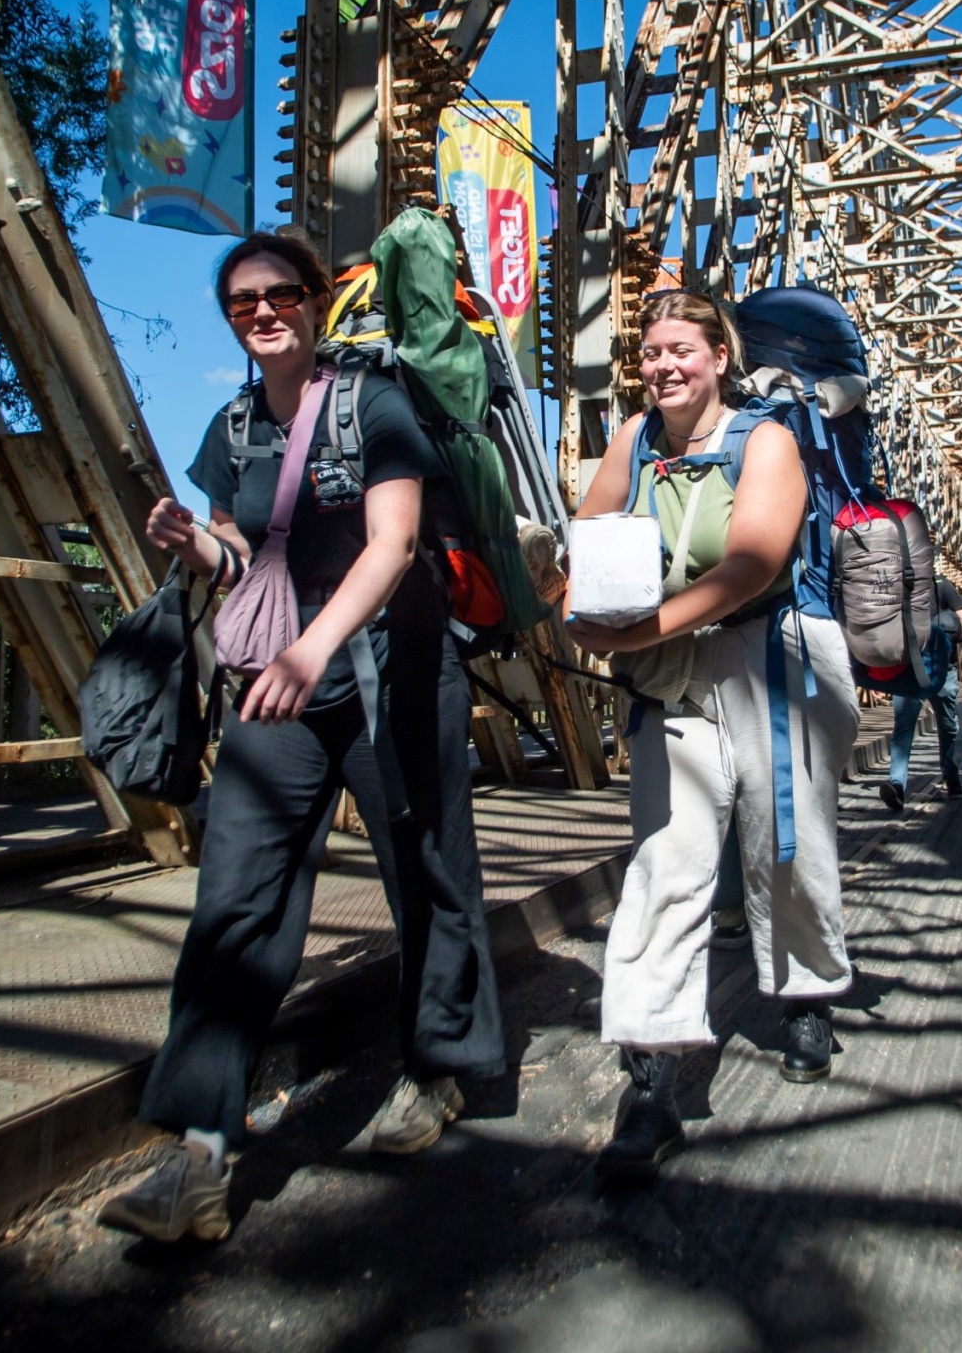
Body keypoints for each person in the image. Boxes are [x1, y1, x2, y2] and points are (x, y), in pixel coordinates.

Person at [98, 231, 505, 1243]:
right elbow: (246, 551)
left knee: (428, 875)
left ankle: (439, 1068)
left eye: (281, 293)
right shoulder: (231, 427)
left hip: (392, 674)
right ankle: (197, 1151)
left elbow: (393, 542)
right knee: (235, 896)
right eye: (242, 301)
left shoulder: (374, 404)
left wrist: (307, 652)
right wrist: (196, 544)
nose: (263, 310)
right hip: (283, 688)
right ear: (229, 316)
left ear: (316, 301)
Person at [568, 291, 860, 1182]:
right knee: (666, 857)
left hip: (771, 660)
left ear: (718, 356)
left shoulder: (766, 439)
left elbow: (755, 562)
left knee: (788, 843)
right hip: (671, 677)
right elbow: (590, 531)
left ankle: (807, 991)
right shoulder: (634, 439)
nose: (663, 364)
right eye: (650, 350)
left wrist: (640, 627)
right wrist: (574, 591)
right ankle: (651, 1070)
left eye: (681, 348)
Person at [880, 575, 962, 813]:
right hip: (908, 669)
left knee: (943, 725)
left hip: (940, 668)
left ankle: (950, 777)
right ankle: (897, 785)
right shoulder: (896, 586)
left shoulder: (941, 585)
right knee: (910, 727)